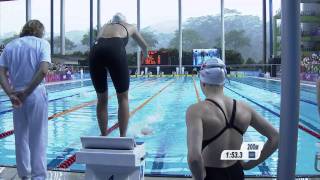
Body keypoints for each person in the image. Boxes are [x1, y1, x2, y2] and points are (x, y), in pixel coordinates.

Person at [186, 58, 279, 180]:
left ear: (202, 82)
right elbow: (275, 137)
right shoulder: (245, 108)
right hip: (236, 173)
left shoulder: (196, 111)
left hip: (211, 174)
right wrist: (249, 165)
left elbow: (194, 158)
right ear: (224, 82)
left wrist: (199, 177)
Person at [0, 20, 51, 180]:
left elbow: (1, 72)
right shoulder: (42, 44)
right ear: (40, 31)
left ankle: (24, 175)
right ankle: (38, 177)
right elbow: (43, 71)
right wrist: (27, 91)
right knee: (38, 137)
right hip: (35, 93)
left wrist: (10, 93)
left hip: (16, 96)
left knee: (20, 137)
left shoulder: (10, 46)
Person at [89, 13, 148, 137]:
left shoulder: (105, 26)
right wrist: (145, 55)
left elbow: (100, 41)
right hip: (115, 49)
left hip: (95, 50)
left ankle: (103, 135)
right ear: (124, 21)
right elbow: (144, 46)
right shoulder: (130, 26)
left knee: (101, 99)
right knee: (123, 98)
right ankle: (122, 136)